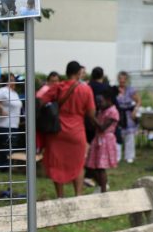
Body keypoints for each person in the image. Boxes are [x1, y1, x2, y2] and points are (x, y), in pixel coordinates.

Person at [39, 61, 96, 198]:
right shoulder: (86, 89)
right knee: (78, 164)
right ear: (79, 73)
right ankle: (78, 195)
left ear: (66, 73)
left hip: (57, 131)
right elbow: (91, 113)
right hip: (76, 132)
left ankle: (60, 197)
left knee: (57, 164)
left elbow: (41, 101)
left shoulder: (58, 87)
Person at [85, 91, 120, 192]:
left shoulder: (113, 112)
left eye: (101, 102)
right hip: (98, 139)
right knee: (90, 165)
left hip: (106, 140)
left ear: (109, 100)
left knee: (101, 167)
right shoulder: (101, 110)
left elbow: (102, 127)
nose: (99, 104)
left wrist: (92, 117)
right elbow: (95, 126)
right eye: (97, 103)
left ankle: (103, 190)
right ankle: (101, 185)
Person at [0, 73, 23, 168]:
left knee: (10, 146)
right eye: (11, 80)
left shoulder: (14, 93)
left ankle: (4, 166)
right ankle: (1, 166)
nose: (13, 82)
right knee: (6, 146)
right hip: (4, 124)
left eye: (14, 80)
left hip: (13, 125)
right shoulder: (4, 90)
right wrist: (1, 108)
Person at [113, 71, 140, 164]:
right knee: (117, 135)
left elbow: (138, 101)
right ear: (118, 79)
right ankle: (117, 156)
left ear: (127, 79)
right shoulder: (115, 89)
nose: (122, 80)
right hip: (118, 113)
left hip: (128, 113)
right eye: (120, 78)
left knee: (130, 135)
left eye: (124, 78)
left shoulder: (131, 90)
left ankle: (130, 156)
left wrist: (135, 111)